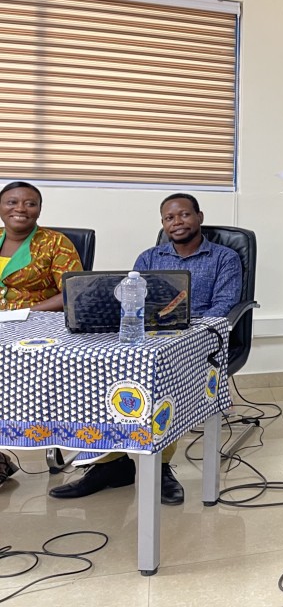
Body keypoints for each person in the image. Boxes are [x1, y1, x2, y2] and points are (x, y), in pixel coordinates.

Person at [49, 193, 242, 506]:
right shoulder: (149, 257)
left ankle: (161, 467)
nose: (177, 222)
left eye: (184, 215)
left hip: (198, 338)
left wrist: (186, 330)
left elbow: (223, 305)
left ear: (199, 217)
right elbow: (130, 302)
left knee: (160, 378)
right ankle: (110, 465)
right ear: (163, 223)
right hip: (149, 333)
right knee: (105, 371)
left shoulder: (224, 257)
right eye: (169, 218)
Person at [0, 181, 83, 311]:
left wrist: (27, 313)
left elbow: (74, 292)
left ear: (39, 210)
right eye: (12, 202)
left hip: (35, 318)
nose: (20, 209)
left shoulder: (56, 242)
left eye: (30, 204)